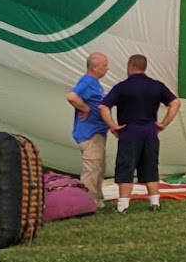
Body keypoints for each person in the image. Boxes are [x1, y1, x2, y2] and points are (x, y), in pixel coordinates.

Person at [101, 54, 180, 212]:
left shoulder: (122, 87)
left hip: (129, 132)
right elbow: (175, 103)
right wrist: (163, 123)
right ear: (144, 67)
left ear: (130, 66)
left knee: (126, 168)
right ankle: (154, 203)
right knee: (151, 168)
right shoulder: (156, 85)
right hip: (150, 132)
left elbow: (103, 107)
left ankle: (123, 206)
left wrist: (112, 126)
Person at [65, 52, 111, 203]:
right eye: (104, 66)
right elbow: (71, 96)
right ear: (95, 67)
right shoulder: (87, 82)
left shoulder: (95, 83)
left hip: (97, 132)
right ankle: (87, 202)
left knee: (98, 167)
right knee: (92, 169)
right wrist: (85, 108)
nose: (107, 68)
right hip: (89, 133)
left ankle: (97, 199)